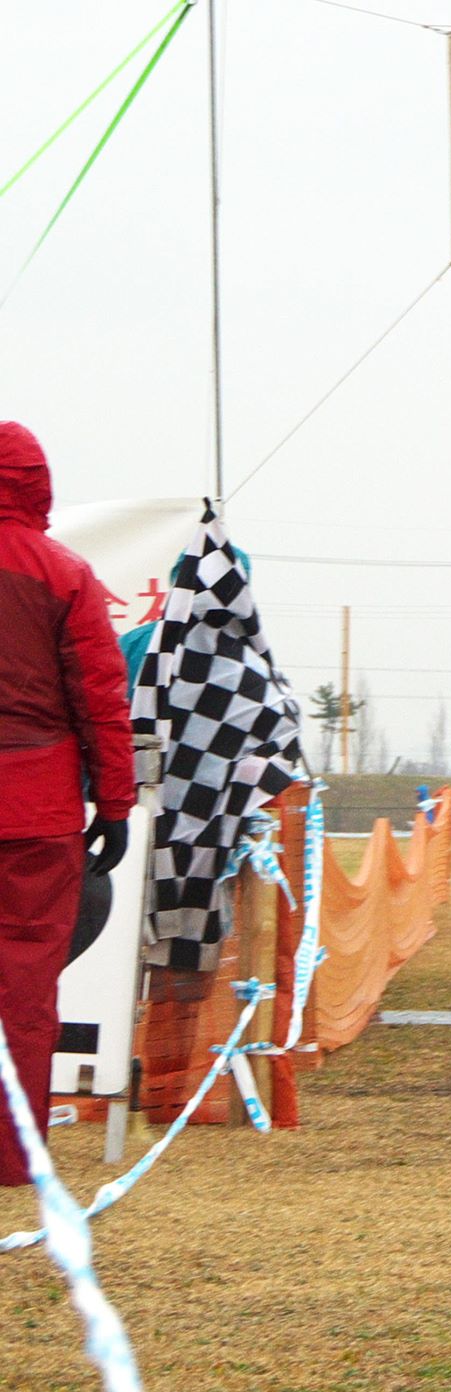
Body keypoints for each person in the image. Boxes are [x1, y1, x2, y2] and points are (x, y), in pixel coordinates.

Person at [0, 421, 134, 1187]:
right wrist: (114, 805)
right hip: (37, 814)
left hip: (37, 807)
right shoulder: (64, 573)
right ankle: (15, 1157)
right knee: (23, 989)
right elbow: (100, 701)